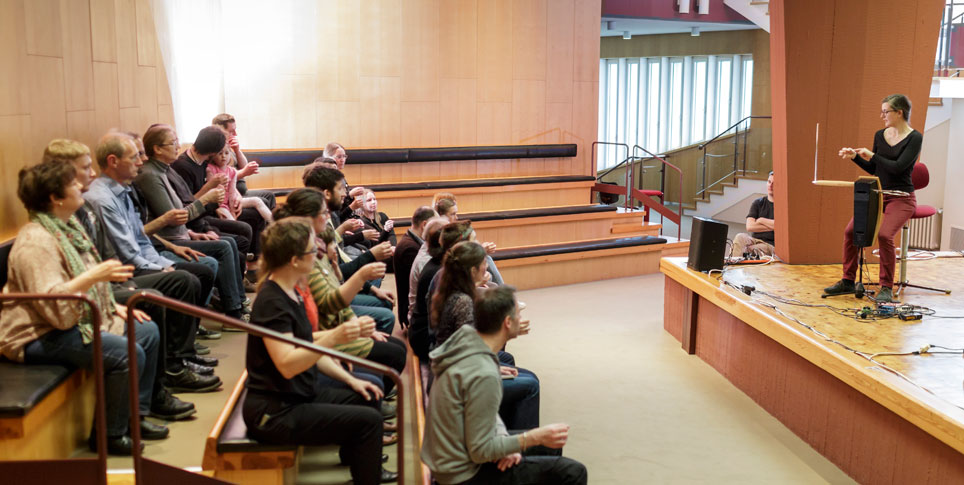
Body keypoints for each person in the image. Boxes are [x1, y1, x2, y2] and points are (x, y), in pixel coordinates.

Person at [0, 160, 166, 455]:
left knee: (147, 330)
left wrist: (112, 306)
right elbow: (54, 307)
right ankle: (109, 435)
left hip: (66, 318)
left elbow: (83, 288)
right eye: (72, 184)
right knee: (125, 352)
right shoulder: (35, 242)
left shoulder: (68, 227)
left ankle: (135, 417)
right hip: (34, 334)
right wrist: (95, 276)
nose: (80, 186)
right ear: (55, 198)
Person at [43, 138, 202, 419]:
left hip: (103, 288)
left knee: (179, 281)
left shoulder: (81, 208)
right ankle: (162, 385)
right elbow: (63, 287)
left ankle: (158, 390)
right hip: (90, 295)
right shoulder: (71, 214)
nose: (92, 174)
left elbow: (114, 249)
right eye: (85, 168)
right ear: (62, 176)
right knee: (162, 292)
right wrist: (110, 292)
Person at [242, 218, 396, 484]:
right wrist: (335, 337)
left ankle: (359, 460)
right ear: (294, 260)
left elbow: (306, 342)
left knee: (366, 393)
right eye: (312, 251)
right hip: (275, 411)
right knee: (369, 421)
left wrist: (350, 379)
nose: (318, 255)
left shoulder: (292, 290)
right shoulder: (272, 301)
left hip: (296, 393)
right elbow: (288, 363)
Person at [83, 132, 222, 393]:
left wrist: (163, 260)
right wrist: (163, 267)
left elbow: (140, 240)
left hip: (139, 260)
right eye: (135, 156)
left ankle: (182, 355)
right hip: (123, 270)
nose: (141, 161)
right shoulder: (101, 199)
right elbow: (126, 252)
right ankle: (175, 366)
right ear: (113, 161)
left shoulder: (123, 191)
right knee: (183, 279)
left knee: (199, 272)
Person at [422, 284, 588, 485]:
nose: (522, 319)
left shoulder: (470, 340)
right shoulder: (484, 372)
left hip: (454, 456)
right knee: (573, 472)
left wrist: (509, 446)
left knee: (549, 447)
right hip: (460, 475)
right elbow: (481, 451)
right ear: (507, 322)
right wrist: (532, 437)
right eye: (518, 314)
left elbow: (487, 420)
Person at [133, 126, 249, 322]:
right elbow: (174, 216)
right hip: (168, 240)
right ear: (157, 149)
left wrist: (193, 231)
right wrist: (206, 199)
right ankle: (233, 312)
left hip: (182, 233)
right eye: (173, 142)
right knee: (223, 247)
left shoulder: (165, 170)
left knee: (230, 242)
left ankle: (236, 304)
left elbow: (182, 207)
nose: (178, 146)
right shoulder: (150, 175)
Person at [430, 241, 540, 430]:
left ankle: (503, 427)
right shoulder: (462, 301)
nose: (487, 266)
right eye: (483, 263)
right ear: (472, 270)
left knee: (511, 363)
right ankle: (520, 447)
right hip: (458, 377)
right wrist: (505, 334)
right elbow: (466, 350)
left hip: (456, 367)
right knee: (530, 384)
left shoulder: (453, 289)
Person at [825, 94, 922, 303]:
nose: (882, 115)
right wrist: (856, 158)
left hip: (902, 198)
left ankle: (886, 286)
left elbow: (898, 168)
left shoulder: (915, 138)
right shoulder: (880, 135)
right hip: (878, 195)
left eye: (886, 111)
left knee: (885, 235)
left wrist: (872, 154)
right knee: (851, 232)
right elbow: (875, 169)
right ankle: (847, 280)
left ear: (899, 113)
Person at [303, 165, 397, 333]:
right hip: (332, 305)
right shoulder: (314, 231)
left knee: (380, 294)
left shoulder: (327, 218)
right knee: (387, 317)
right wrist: (368, 258)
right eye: (341, 188)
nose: (346, 193)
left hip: (336, 294)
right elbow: (334, 281)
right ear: (326, 193)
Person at [207, 141, 273, 223]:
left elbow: (232, 191)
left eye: (226, 153)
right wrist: (229, 211)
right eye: (220, 153)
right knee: (231, 220)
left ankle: (274, 223)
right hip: (219, 204)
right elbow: (211, 190)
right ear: (213, 155)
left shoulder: (232, 171)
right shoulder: (210, 169)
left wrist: (232, 209)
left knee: (257, 201)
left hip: (232, 201)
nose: (223, 156)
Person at [393, 206, 436, 328]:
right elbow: (423, 286)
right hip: (412, 314)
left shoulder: (411, 241)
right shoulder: (410, 249)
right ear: (425, 225)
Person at [730, 171, 776, 258]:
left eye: (774, 183)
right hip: (755, 240)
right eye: (769, 182)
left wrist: (761, 220)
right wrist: (773, 226)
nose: (770, 185)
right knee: (740, 237)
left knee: (748, 250)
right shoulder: (758, 203)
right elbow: (750, 227)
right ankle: (733, 266)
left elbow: (782, 227)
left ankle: (735, 265)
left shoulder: (784, 206)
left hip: (771, 245)